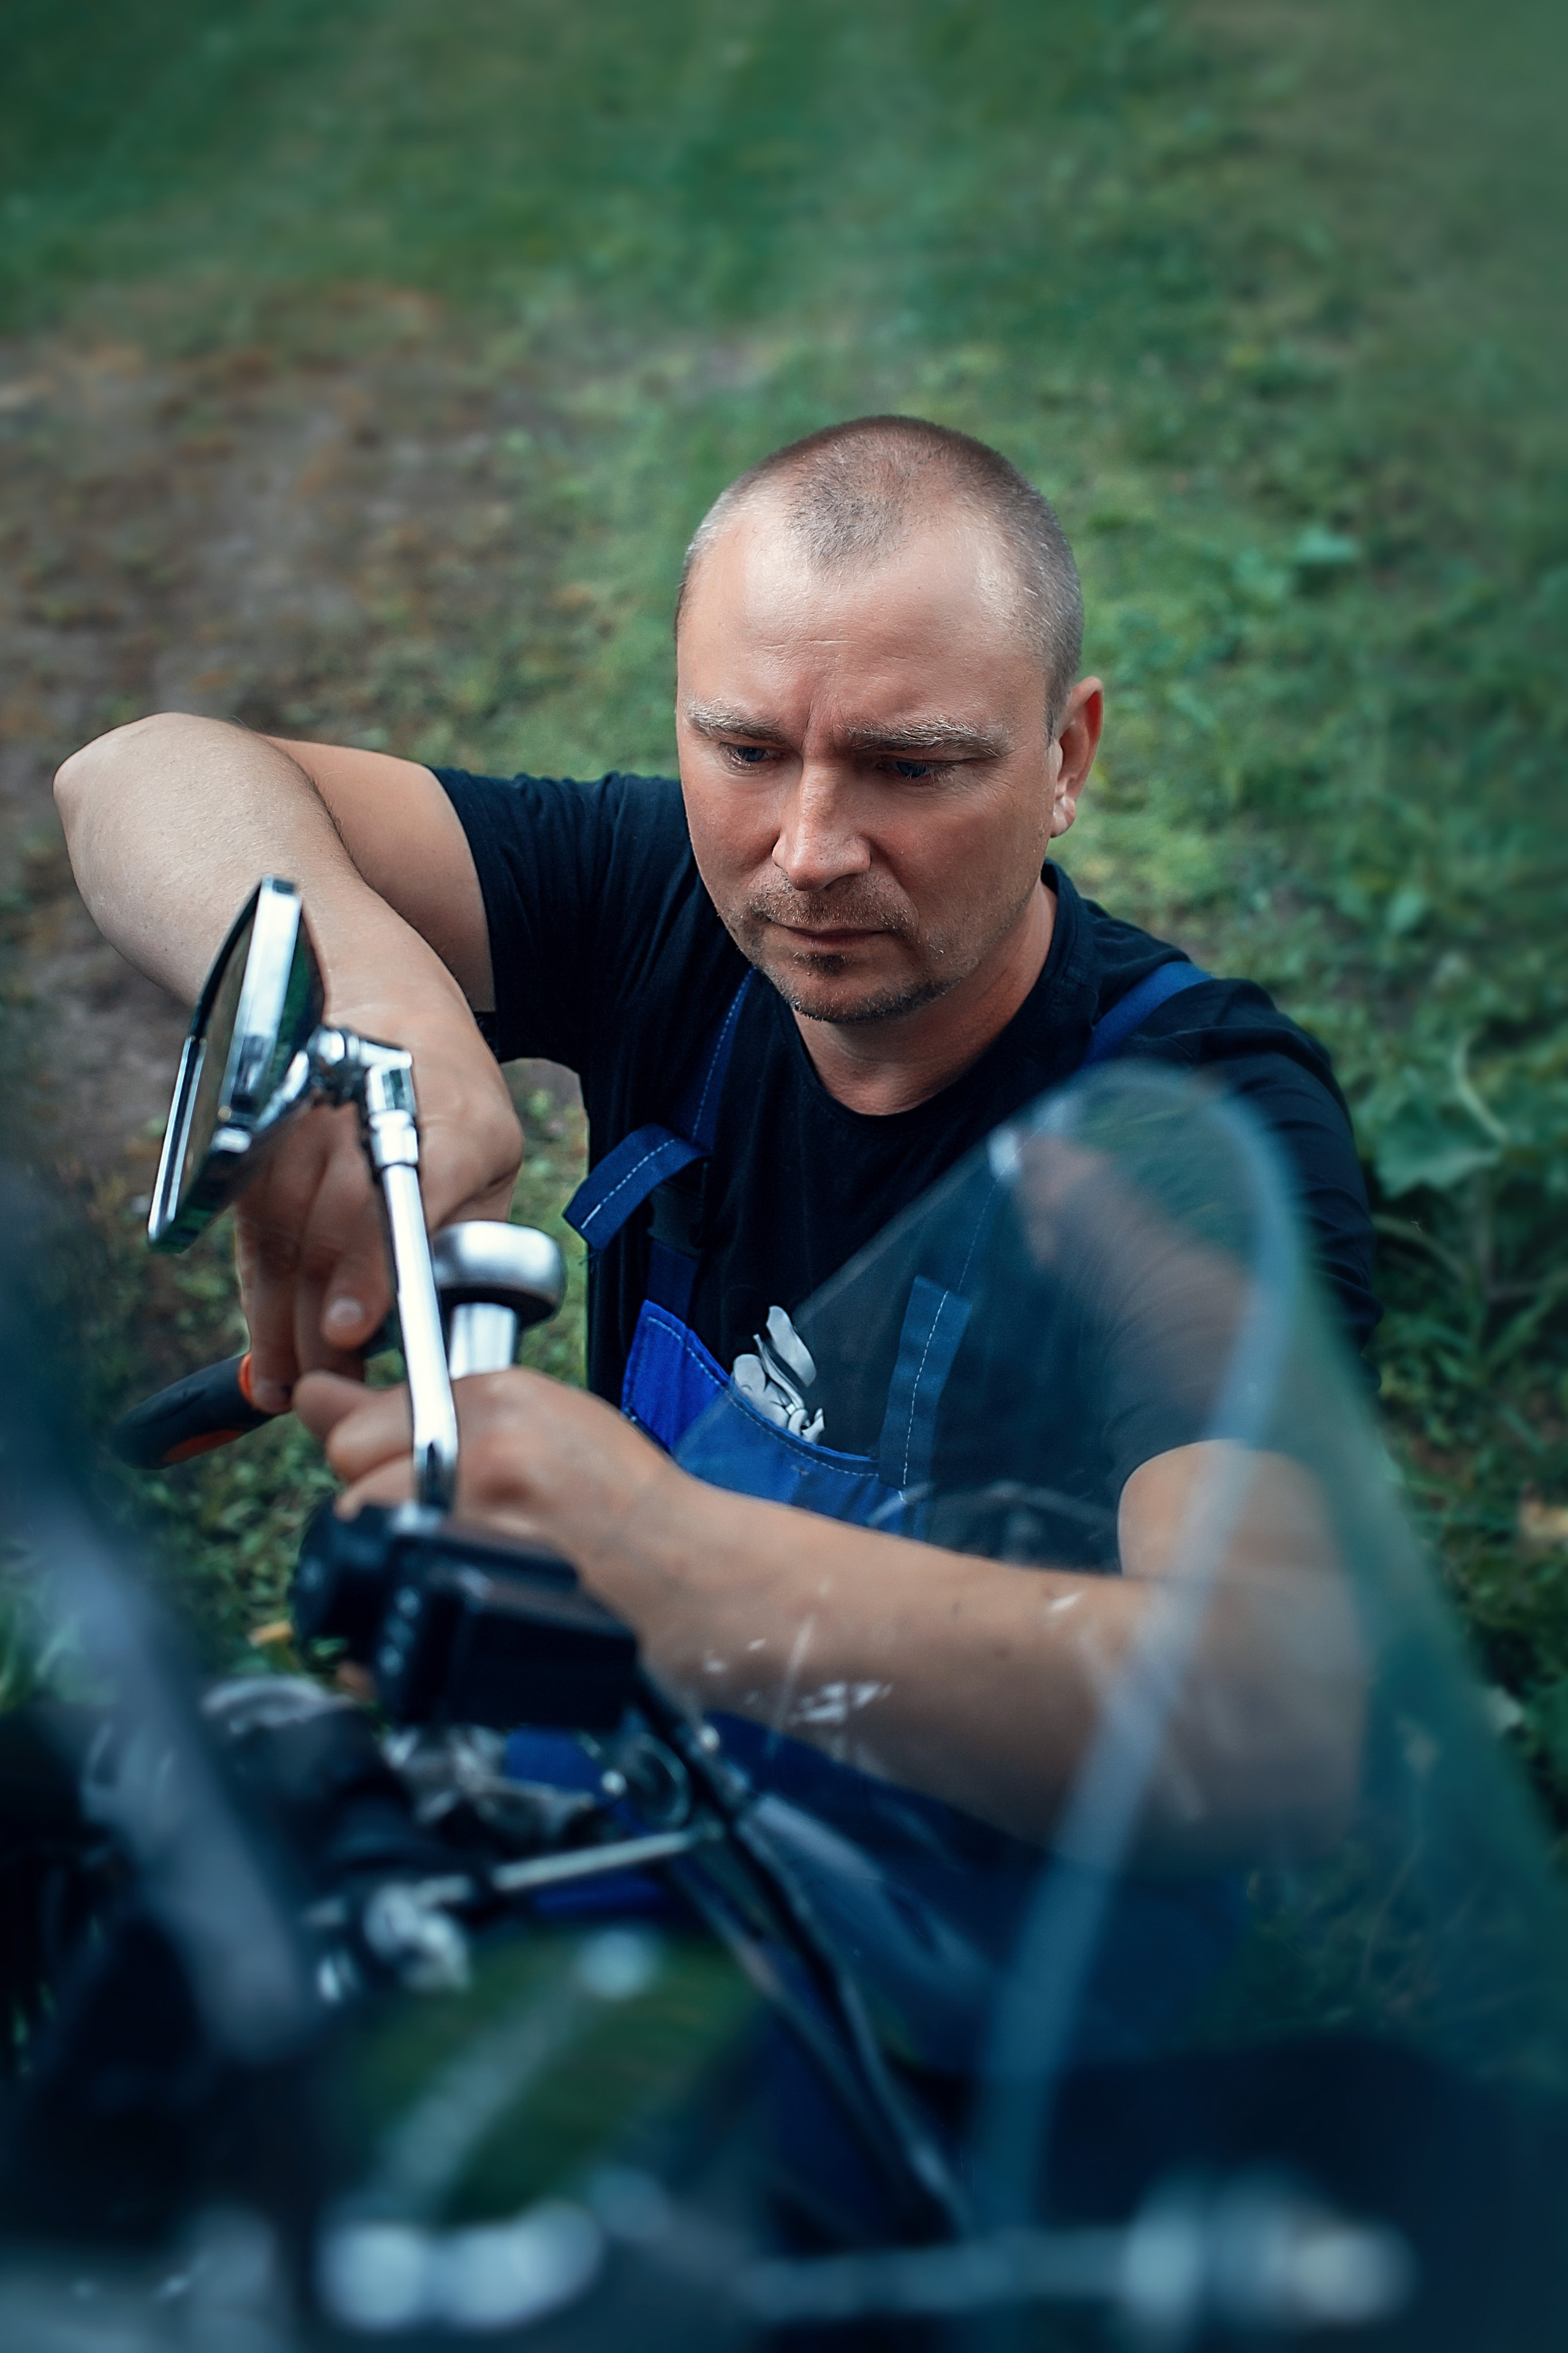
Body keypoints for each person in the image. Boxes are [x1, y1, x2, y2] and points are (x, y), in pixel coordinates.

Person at [56, 416, 1372, 1853]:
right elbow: (136, 775)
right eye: (744, 748)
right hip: (629, 1763)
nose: (805, 851)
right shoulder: (661, 907)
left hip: (974, 1930)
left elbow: (1270, 1722)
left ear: (1065, 756)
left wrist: (664, 1561)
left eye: (909, 767)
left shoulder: (1191, 1122)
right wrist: (368, 997)